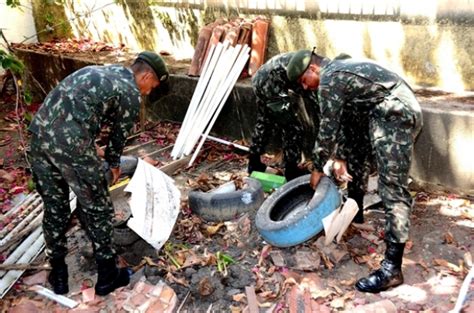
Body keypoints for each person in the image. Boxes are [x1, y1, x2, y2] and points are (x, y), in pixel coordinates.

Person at [28, 51, 169, 296]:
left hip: (40, 138)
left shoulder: (103, 71)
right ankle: (107, 277)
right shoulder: (130, 92)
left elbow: (71, 110)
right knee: (99, 209)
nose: (147, 93)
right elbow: (118, 136)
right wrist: (113, 163)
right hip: (72, 146)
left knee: (55, 209)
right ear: (145, 75)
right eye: (151, 86)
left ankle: (59, 276)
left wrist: (90, 145)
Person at [304, 51, 422, 293]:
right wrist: (341, 157)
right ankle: (356, 213)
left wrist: (317, 169)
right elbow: (347, 124)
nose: (305, 87)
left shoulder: (331, 78)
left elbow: (327, 131)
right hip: (382, 112)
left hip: (395, 114)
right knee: (358, 153)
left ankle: (392, 269)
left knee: (392, 188)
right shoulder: (341, 72)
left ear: (313, 69)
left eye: (304, 81)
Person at [247, 49, 320, 181]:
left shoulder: (319, 68)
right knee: (289, 127)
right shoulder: (306, 69)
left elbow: (318, 104)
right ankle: (290, 171)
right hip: (267, 81)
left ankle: (256, 165)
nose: (305, 86)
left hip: (285, 79)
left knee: (266, 123)